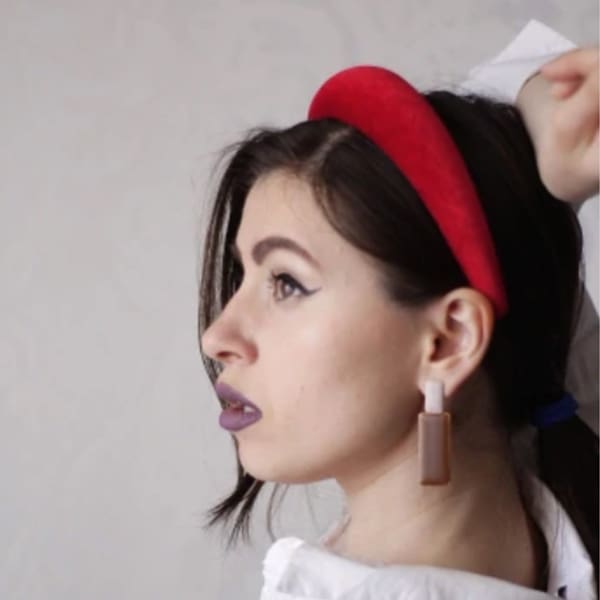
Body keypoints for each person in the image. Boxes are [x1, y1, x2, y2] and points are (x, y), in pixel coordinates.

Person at [198, 20, 599, 599]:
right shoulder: (550, 445)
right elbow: (496, 202)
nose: (218, 335)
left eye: (286, 282)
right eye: (244, 277)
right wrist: (548, 118)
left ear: (449, 340)